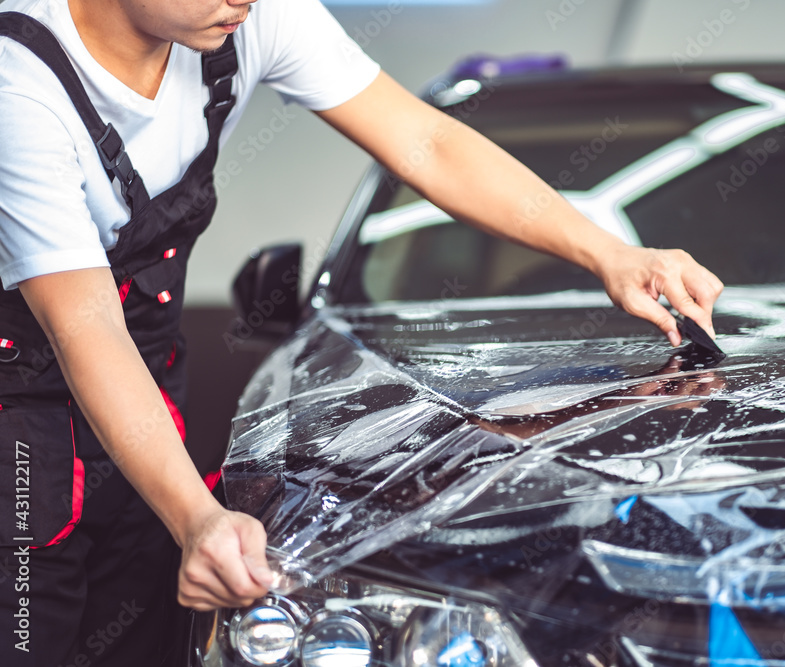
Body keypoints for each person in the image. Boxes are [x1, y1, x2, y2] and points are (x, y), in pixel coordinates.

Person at [0, 0, 724, 664]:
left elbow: (427, 143)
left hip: (146, 407)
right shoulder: (17, 86)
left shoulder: (246, 16)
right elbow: (83, 326)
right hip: (23, 441)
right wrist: (195, 515)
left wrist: (611, 252)